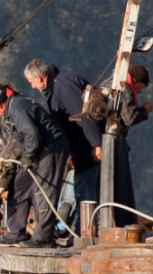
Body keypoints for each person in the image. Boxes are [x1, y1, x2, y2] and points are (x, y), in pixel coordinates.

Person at [0, 81, 71, 248]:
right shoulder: (9, 111)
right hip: (36, 151)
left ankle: (43, 238)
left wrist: (27, 158)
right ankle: (16, 234)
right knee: (19, 186)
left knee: (43, 192)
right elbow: (18, 141)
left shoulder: (18, 107)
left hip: (51, 149)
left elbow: (32, 134)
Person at [24, 60, 104, 210]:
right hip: (79, 147)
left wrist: (96, 144)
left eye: (31, 82)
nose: (32, 87)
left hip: (87, 146)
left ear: (39, 77)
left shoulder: (64, 87)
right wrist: (70, 153)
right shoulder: (55, 89)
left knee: (86, 193)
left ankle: (87, 232)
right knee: (82, 191)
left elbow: (84, 116)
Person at [103, 65, 153, 227]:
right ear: (136, 81)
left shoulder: (110, 81)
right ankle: (123, 223)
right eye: (140, 87)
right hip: (112, 140)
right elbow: (130, 117)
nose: (138, 92)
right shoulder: (124, 86)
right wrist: (145, 110)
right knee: (120, 186)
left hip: (102, 137)